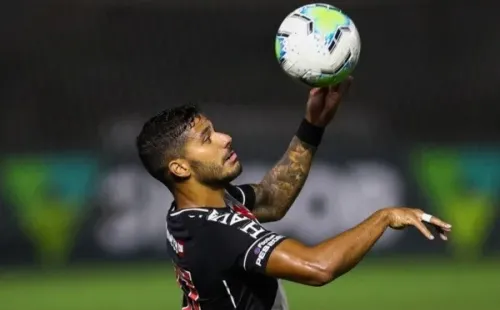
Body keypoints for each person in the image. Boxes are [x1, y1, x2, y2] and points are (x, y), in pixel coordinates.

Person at [135, 77, 452, 310]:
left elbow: (272, 198)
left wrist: (312, 126)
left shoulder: (192, 211)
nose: (225, 138)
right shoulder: (215, 232)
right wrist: (384, 216)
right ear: (179, 168)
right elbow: (318, 267)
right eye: (207, 139)